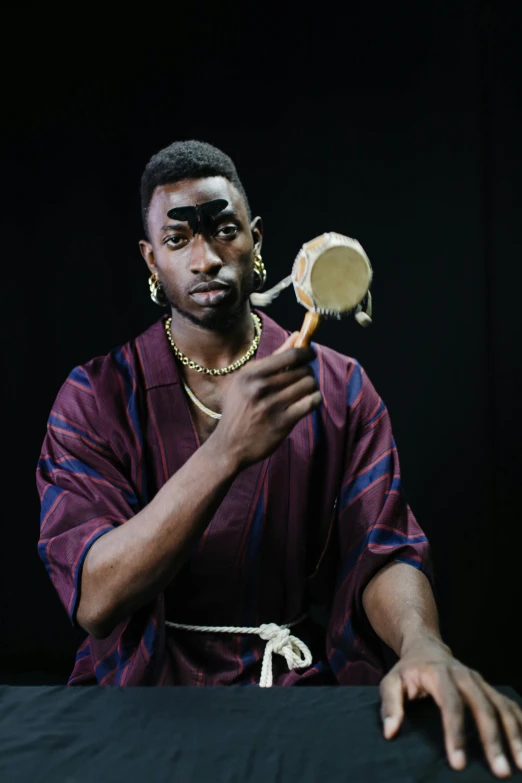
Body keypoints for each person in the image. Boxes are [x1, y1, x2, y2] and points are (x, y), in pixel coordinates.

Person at [37, 140, 522, 778]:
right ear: (151, 260)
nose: (206, 258)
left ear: (257, 240)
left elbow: (381, 548)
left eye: (225, 231)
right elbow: (96, 596)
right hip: (138, 695)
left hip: (291, 692)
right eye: (179, 241)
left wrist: (421, 643)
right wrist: (226, 450)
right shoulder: (95, 396)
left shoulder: (342, 387)